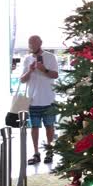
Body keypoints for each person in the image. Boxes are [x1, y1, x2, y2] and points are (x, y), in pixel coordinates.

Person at [20, 35, 59, 165]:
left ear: (40, 43)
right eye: (30, 43)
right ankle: (36, 153)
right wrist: (30, 71)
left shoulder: (50, 57)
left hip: (48, 99)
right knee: (34, 128)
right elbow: (22, 80)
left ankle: (50, 152)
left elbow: (55, 75)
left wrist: (44, 69)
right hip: (32, 100)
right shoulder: (26, 59)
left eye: (34, 43)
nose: (31, 45)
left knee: (50, 127)